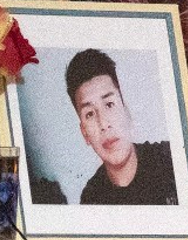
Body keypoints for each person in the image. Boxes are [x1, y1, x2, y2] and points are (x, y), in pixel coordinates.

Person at [64, 49, 178, 206]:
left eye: (109, 104)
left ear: (127, 112)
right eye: (89, 114)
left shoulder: (171, 160)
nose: (103, 124)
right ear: (84, 133)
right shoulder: (91, 199)